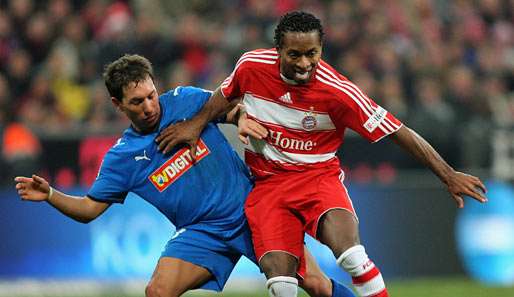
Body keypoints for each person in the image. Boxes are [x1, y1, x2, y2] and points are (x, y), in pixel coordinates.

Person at [155, 11, 488, 297]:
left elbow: (398, 131)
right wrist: (195, 125)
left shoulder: (338, 92)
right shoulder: (251, 67)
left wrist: (447, 173)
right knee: (281, 285)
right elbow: (224, 95)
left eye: (312, 53)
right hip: (268, 187)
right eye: (294, 55)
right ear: (278, 51)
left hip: (318, 180)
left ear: (321, 49)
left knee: (353, 257)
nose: (304, 64)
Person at [14, 54, 357, 297]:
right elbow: (89, 209)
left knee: (315, 284)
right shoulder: (121, 158)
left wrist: (240, 119)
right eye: (137, 102)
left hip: (254, 211)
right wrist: (51, 196)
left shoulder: (185, 100)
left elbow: (230, 107)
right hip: (204, 233)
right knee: (158, 291)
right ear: (117, 105)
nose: (149, 106)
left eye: (150, 95)